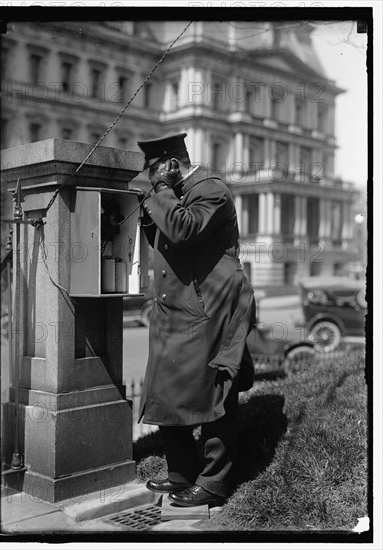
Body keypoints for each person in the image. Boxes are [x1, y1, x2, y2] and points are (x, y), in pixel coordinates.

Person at [134, 132, 256, 507]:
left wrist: (161, 193)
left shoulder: (211, 189)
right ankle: (181, 473)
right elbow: (164, 233)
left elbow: (184, 230)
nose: (152, 179)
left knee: (215, 392)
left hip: (212, 307)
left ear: (172, 165)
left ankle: (213, 482)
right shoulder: (179, 193)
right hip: (178, 308)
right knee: (165, 388)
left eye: (155, 171)